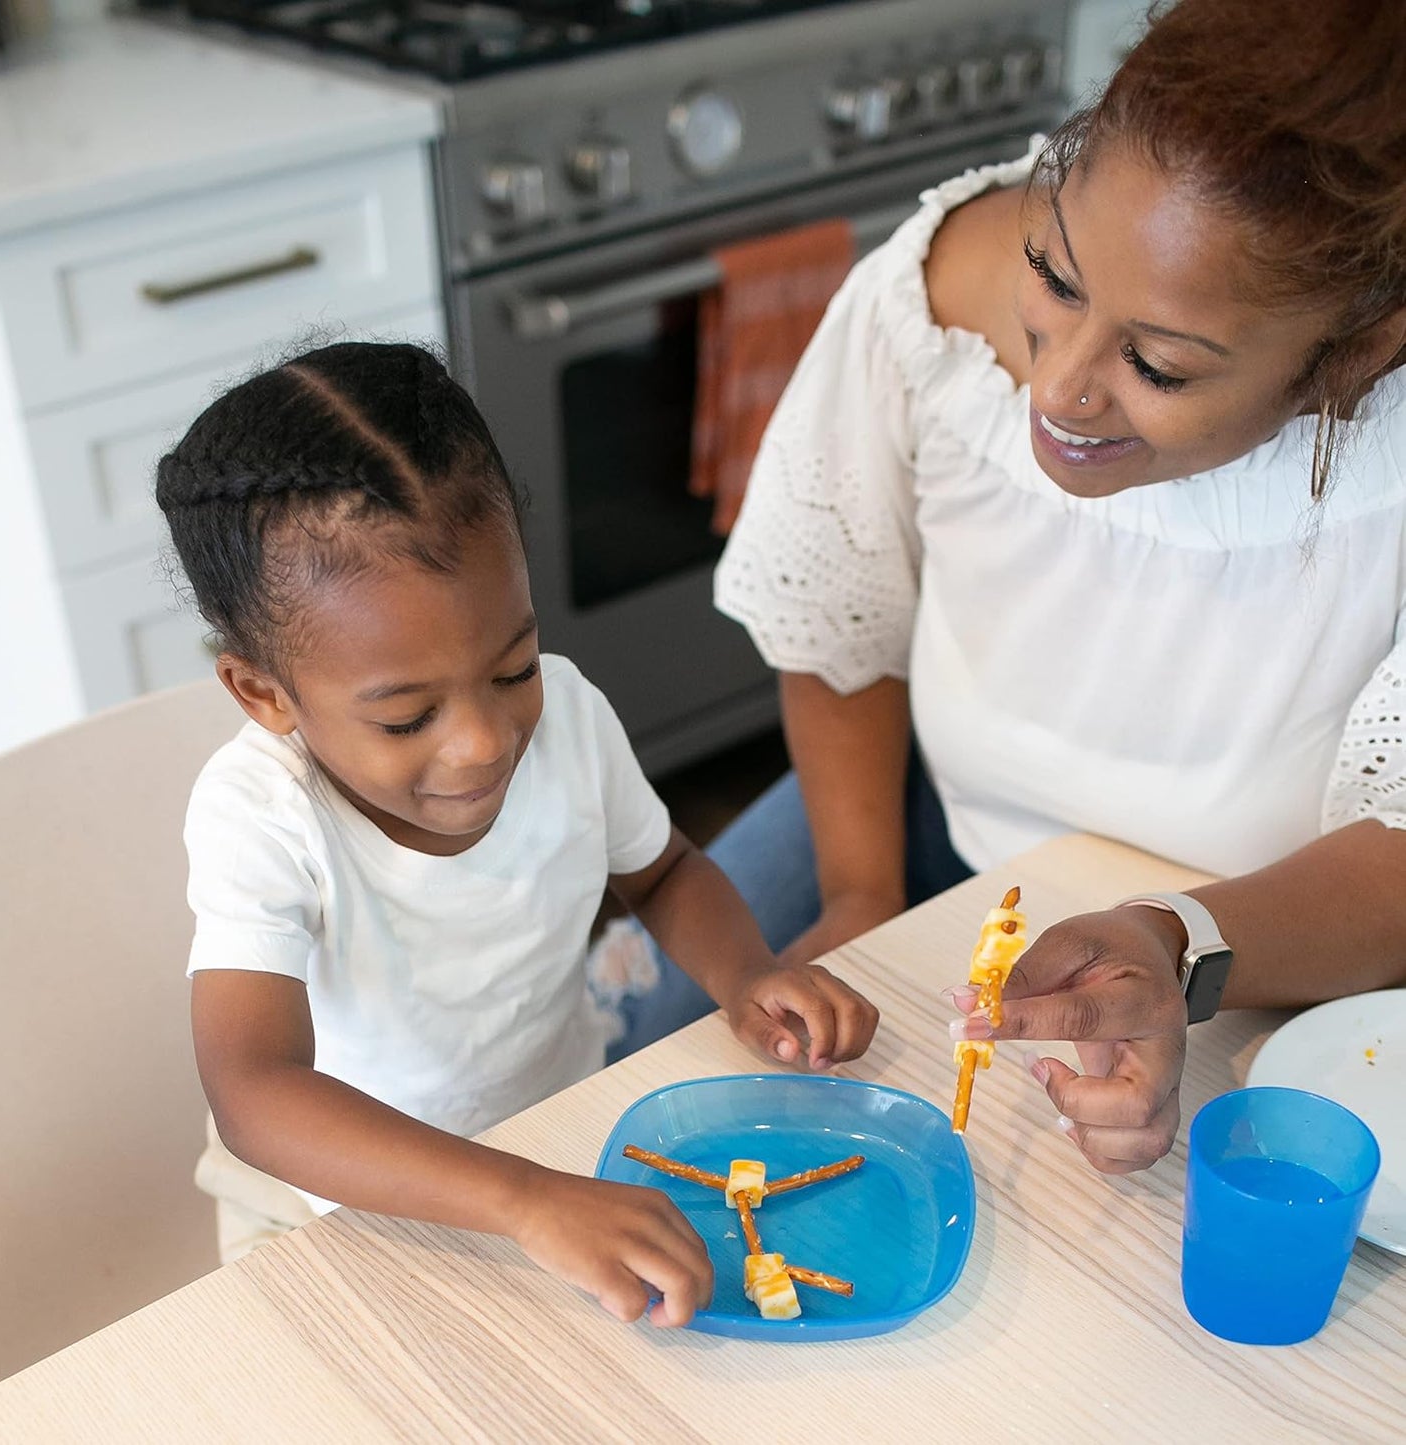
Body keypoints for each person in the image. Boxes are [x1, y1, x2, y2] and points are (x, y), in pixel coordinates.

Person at [600, 0, 1406, 1176]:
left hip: (1270, 933)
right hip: (930, 824)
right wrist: (862, 886)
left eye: (1157, 364)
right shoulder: (933, 299)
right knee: (630, 1052)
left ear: (1359, 351)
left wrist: (1175, 946)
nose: (1060, 385)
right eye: (1055, 274)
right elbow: (839, 614)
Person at [153, 341, 879, 1323]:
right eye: (407, 716)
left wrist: (744, 972)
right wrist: (521, 1198)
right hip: (332, 1210)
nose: (483, 741)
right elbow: (254, 1090)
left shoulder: (571, 713)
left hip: (551, 1145)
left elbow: (662, 873)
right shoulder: (262, 814)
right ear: (262, 693)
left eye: (513, 666)